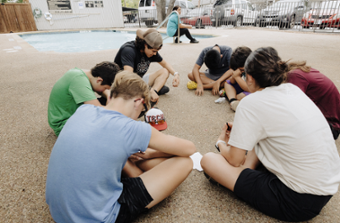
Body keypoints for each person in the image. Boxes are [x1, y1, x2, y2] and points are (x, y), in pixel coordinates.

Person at [201, 47, 340, 222]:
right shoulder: (293, 90)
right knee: (256, 147)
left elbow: (235, 159)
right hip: (326, 189)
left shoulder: (250, 103)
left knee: (208, 160)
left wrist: (221, 142)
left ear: (249, 78)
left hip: (297, 201)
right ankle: (243, 175)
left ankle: (236, 177)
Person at [45, 71, 196, 223]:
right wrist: (150, 155)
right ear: (138, 102)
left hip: (59, 212)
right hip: (98, 217)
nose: (139, 115)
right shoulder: (130, 128)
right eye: (142, 110)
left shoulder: (84, 110)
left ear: (110, 96)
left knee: (134, 158)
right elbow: (189, 149)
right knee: (185, 162)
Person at [47, 61, 119, 136]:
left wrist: (108, 96)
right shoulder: (79, 80)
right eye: (105, 88)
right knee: (108, 121)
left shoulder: (85, 74)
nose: (105, 90)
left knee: (106, 102)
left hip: (73, 112)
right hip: (64, 125)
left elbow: (101, 92)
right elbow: (99, 111)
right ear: (99, 80)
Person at [114, 28, 180, 105]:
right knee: (130, 97)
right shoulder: (129, 50)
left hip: (138, 80)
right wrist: (147, 89)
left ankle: (153, 92)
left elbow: (165, 64)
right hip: (123, 84)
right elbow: (128, 78)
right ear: (145, 45)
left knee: (165, 71)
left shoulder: (150, 51)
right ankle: (148, 91)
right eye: (154, 51)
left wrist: (176, 74)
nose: (155, 54)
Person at [286, 61, 340, 140]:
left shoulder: (294, 76)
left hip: (329, 127)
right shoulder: (301, 70)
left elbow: (292, 106)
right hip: (332, 124)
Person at [224, 46, 252, 111]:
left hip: (253, 90)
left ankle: (237, 100)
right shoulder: (240, 69)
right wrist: (234, 76)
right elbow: (232, 82)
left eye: (242, 70)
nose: (240, 71)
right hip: (244, 88)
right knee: (227, 83)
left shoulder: (253, 71)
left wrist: (237, 77)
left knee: (241, 96)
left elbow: (249, 88)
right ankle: (233, 101)